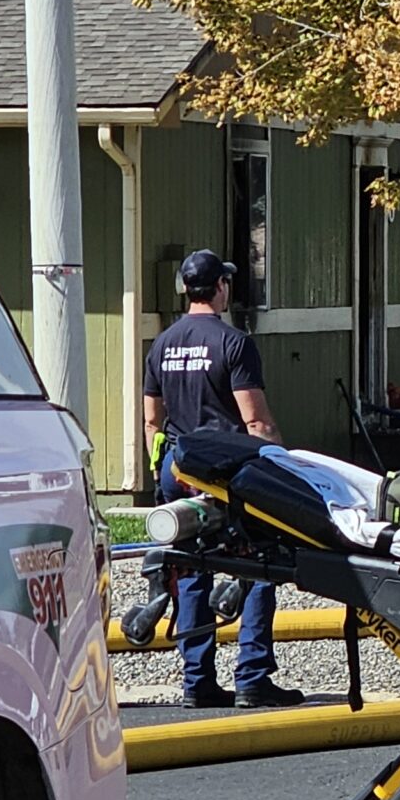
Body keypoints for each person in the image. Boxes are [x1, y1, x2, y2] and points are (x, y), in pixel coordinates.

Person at [143, 249, 302, 708]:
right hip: (229, 473)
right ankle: (253, 676)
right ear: (220, 288)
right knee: (258, 565)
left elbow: (152, 419)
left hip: (179, 468)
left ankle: (197, 681)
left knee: (190, 571)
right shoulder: (234, 343)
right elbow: (254, 420)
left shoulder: (162, 344)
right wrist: (282, 463)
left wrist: (165, 468)